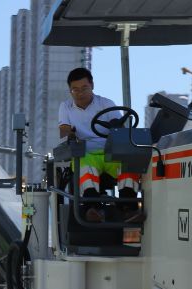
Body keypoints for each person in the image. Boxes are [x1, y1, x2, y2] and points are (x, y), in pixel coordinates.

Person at [58, 67, 137, 222]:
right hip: (85, 152)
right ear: (70, 91)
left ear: (92, 86)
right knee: (84, 164)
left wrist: (116, 126)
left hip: (109, 153)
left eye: (84, 88)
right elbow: (64, 129)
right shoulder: (66, 107)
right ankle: (92, 209)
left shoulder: (107, 104)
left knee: (130, 163)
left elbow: (120, 130)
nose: (80, 93)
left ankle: (129, 209)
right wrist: (71, 132)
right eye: (75, 90)